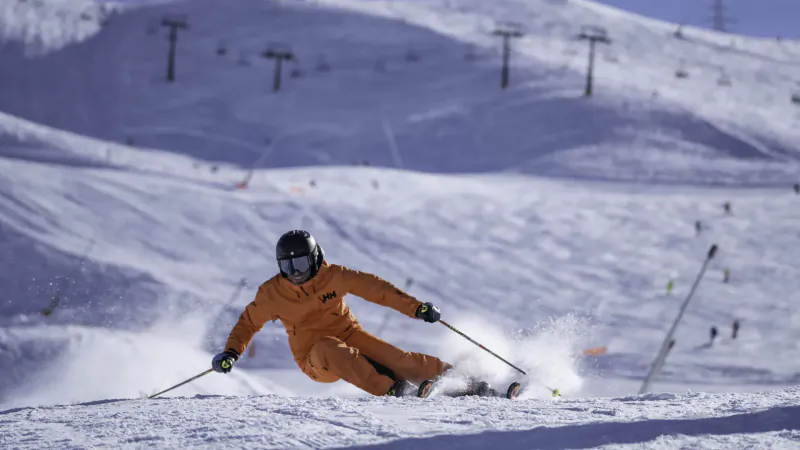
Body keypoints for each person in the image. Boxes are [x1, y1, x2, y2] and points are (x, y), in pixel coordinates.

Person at [211, 230, 451, 397]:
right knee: (329, 347)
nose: (295, 273)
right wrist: (231, 353)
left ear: (315, 258)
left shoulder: (334, 276)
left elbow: (377, 289)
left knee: (398, 359)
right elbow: (248, 324)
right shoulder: (272, 293)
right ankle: (395, 389)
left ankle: (460, 378)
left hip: (349, 335)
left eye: (301, 265)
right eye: (287, 266)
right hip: (314, 359)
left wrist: (416, 308)